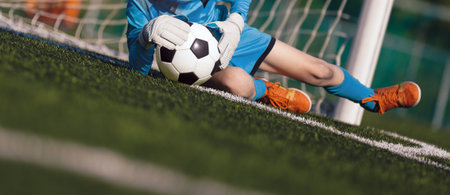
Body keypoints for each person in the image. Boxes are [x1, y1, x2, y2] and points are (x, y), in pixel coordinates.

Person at [126, 0, 421, 115]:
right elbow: (137, 69)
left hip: (233, 40)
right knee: (240, 85)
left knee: (319, 71)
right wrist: (145, 35)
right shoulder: (141, 4)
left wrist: (236, 21)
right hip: (204, 66)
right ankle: (269, 92)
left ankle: (373, 99)